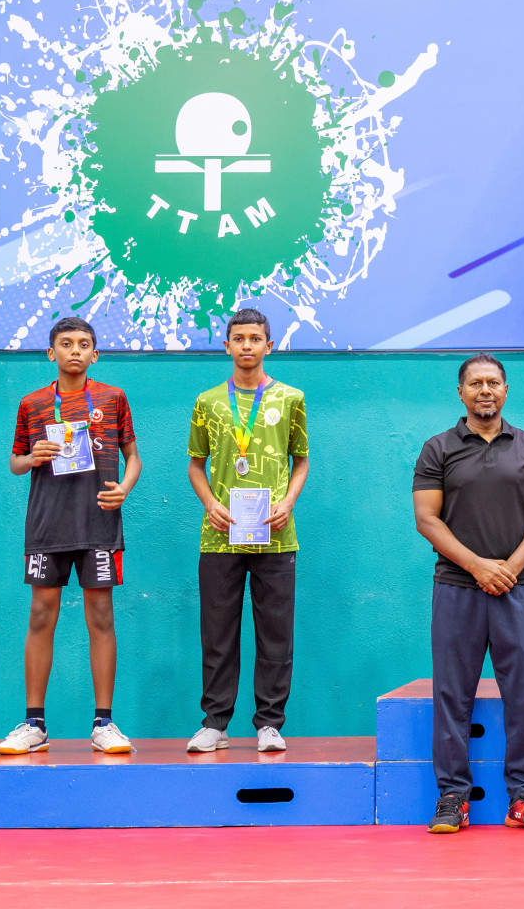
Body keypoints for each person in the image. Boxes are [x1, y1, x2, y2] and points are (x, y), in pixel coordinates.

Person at [414, 353, 524, 834]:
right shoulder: (437, 449)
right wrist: (478, 566)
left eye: (493, 382)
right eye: (475, 383)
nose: (485, 390)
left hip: (519, 590)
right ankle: (452, 798)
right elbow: (427, 519)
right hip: (456, 588)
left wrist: (509, 569)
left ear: (505, 390)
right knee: (452, 696)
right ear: (460, 393)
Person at [0, 317, 141, 755]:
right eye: (66, 343)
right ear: (51, 353)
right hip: (48, 524)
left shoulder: (113, 398)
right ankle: (34, 724)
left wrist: (125, 487)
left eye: (83, 344)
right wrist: (32, 456)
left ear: (94, 355)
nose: (74, 350)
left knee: (101, 615)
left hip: (98, 523)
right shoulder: (33, 404)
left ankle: (104, 723)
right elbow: (15, 463)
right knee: (42, 613)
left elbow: (133, 457)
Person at [185, 308, 309, 753]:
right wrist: (211, 503)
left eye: (255, 338)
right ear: (227, 345)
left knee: (275, 632)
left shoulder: (291, 398)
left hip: (277, 534)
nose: (247, 346)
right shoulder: (208, 402)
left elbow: (302, 461)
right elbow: (195, 466)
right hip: (220, 533)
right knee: (218, 632)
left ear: (268, 345)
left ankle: (269, 724)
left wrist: (288, 502)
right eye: (239, 338)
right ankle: (214, 723)